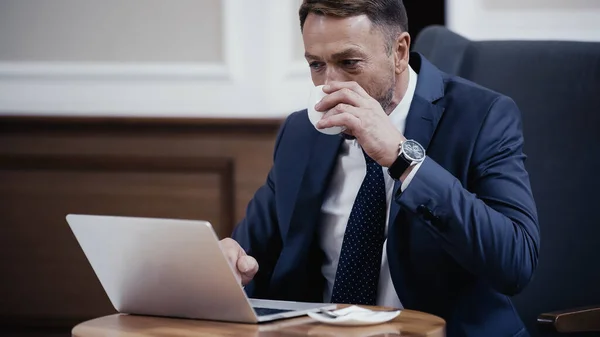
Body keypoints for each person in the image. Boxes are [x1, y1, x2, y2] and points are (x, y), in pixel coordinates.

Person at [219, 0, 540, 336]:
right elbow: (250, 254)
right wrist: (231, 262)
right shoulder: (302, 132)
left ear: (399, 52)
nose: (330, 85)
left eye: (349, 63)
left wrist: (403, 159)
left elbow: (515, 263)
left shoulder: (482, 116)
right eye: (316, 65)